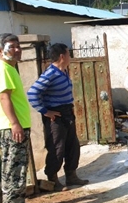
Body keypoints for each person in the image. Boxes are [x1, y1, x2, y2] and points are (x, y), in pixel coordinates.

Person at [27, 43, 87, 191]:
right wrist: (45, 111)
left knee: (72, 145)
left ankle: (71, 176)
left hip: (67, 112)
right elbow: (32, 93)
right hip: (56, 115)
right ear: (62, 56)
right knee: (57, 147)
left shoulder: (63, 71)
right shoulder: (50, 73)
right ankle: (53, 180)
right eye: (68, 54)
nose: (70, 57)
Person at [0, 33, 33, 203]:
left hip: (12, 126)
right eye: (12, 47)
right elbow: (4, 97)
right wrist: (15, 124)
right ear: (0, 51)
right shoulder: (3, 69)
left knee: (13, 167)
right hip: (10, 128)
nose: (17, 50)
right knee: (14, 169)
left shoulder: (9, 68)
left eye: (18, 46)